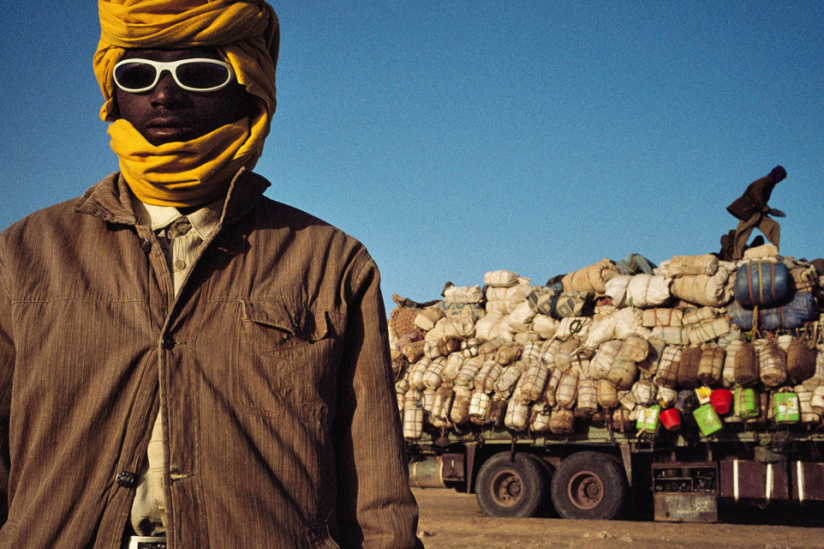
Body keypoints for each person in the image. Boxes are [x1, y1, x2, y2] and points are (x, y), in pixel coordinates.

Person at [0, 1, 422, 547]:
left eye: (199, 73)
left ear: (248, 89)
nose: (163, 95)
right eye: (138, 74)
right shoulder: (24, 257)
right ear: (113, 94)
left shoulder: (330, 263)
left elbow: (376, 495)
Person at [726, 165, 787, 259]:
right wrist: (769, 210)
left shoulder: (770, 184)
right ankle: (736, 257)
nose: (780, 180)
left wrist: (769, 210)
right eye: (780, 178)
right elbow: (756, 195)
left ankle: (775, 251)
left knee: (774, 226)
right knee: (742, 232)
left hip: (758, 212)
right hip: (750, 212)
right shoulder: (763, 182)